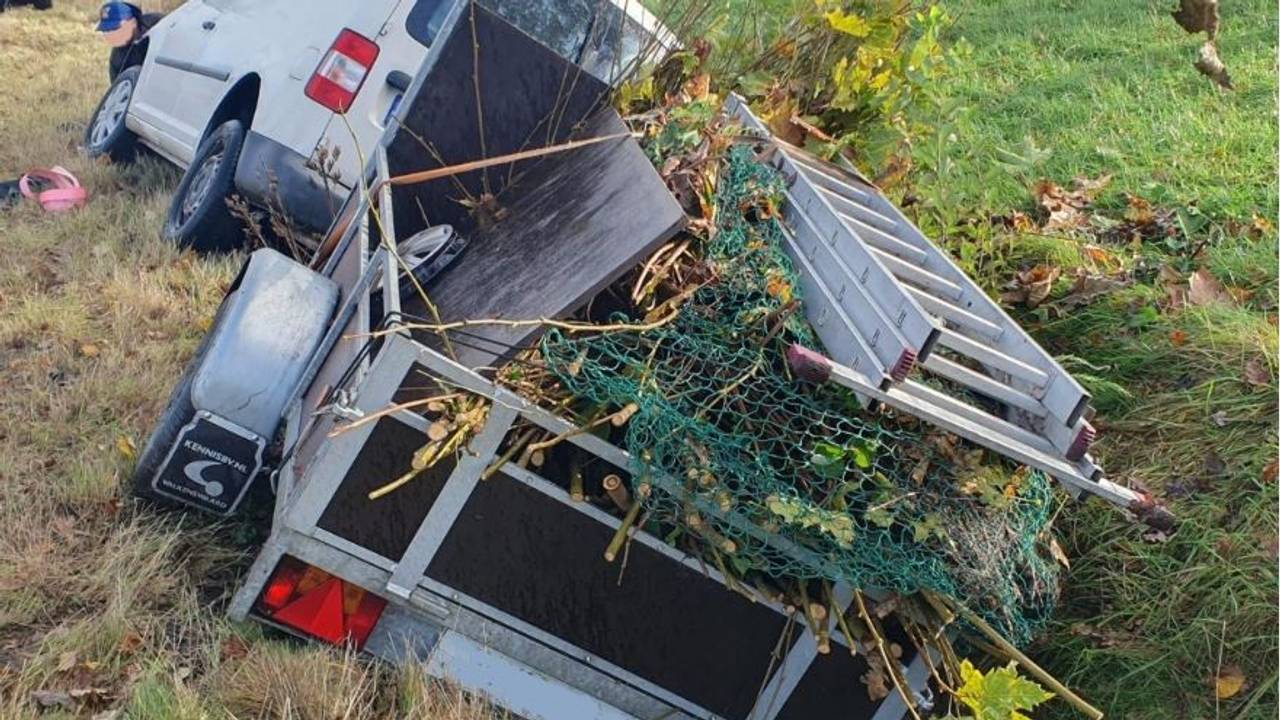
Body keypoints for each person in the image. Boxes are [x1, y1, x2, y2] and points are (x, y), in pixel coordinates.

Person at [96, 2, 164, 81]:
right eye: (106, 30)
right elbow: (120, 85)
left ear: (133, 22)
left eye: (116, 28)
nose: (111, 35)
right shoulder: (117, 59)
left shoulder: (158, 23)